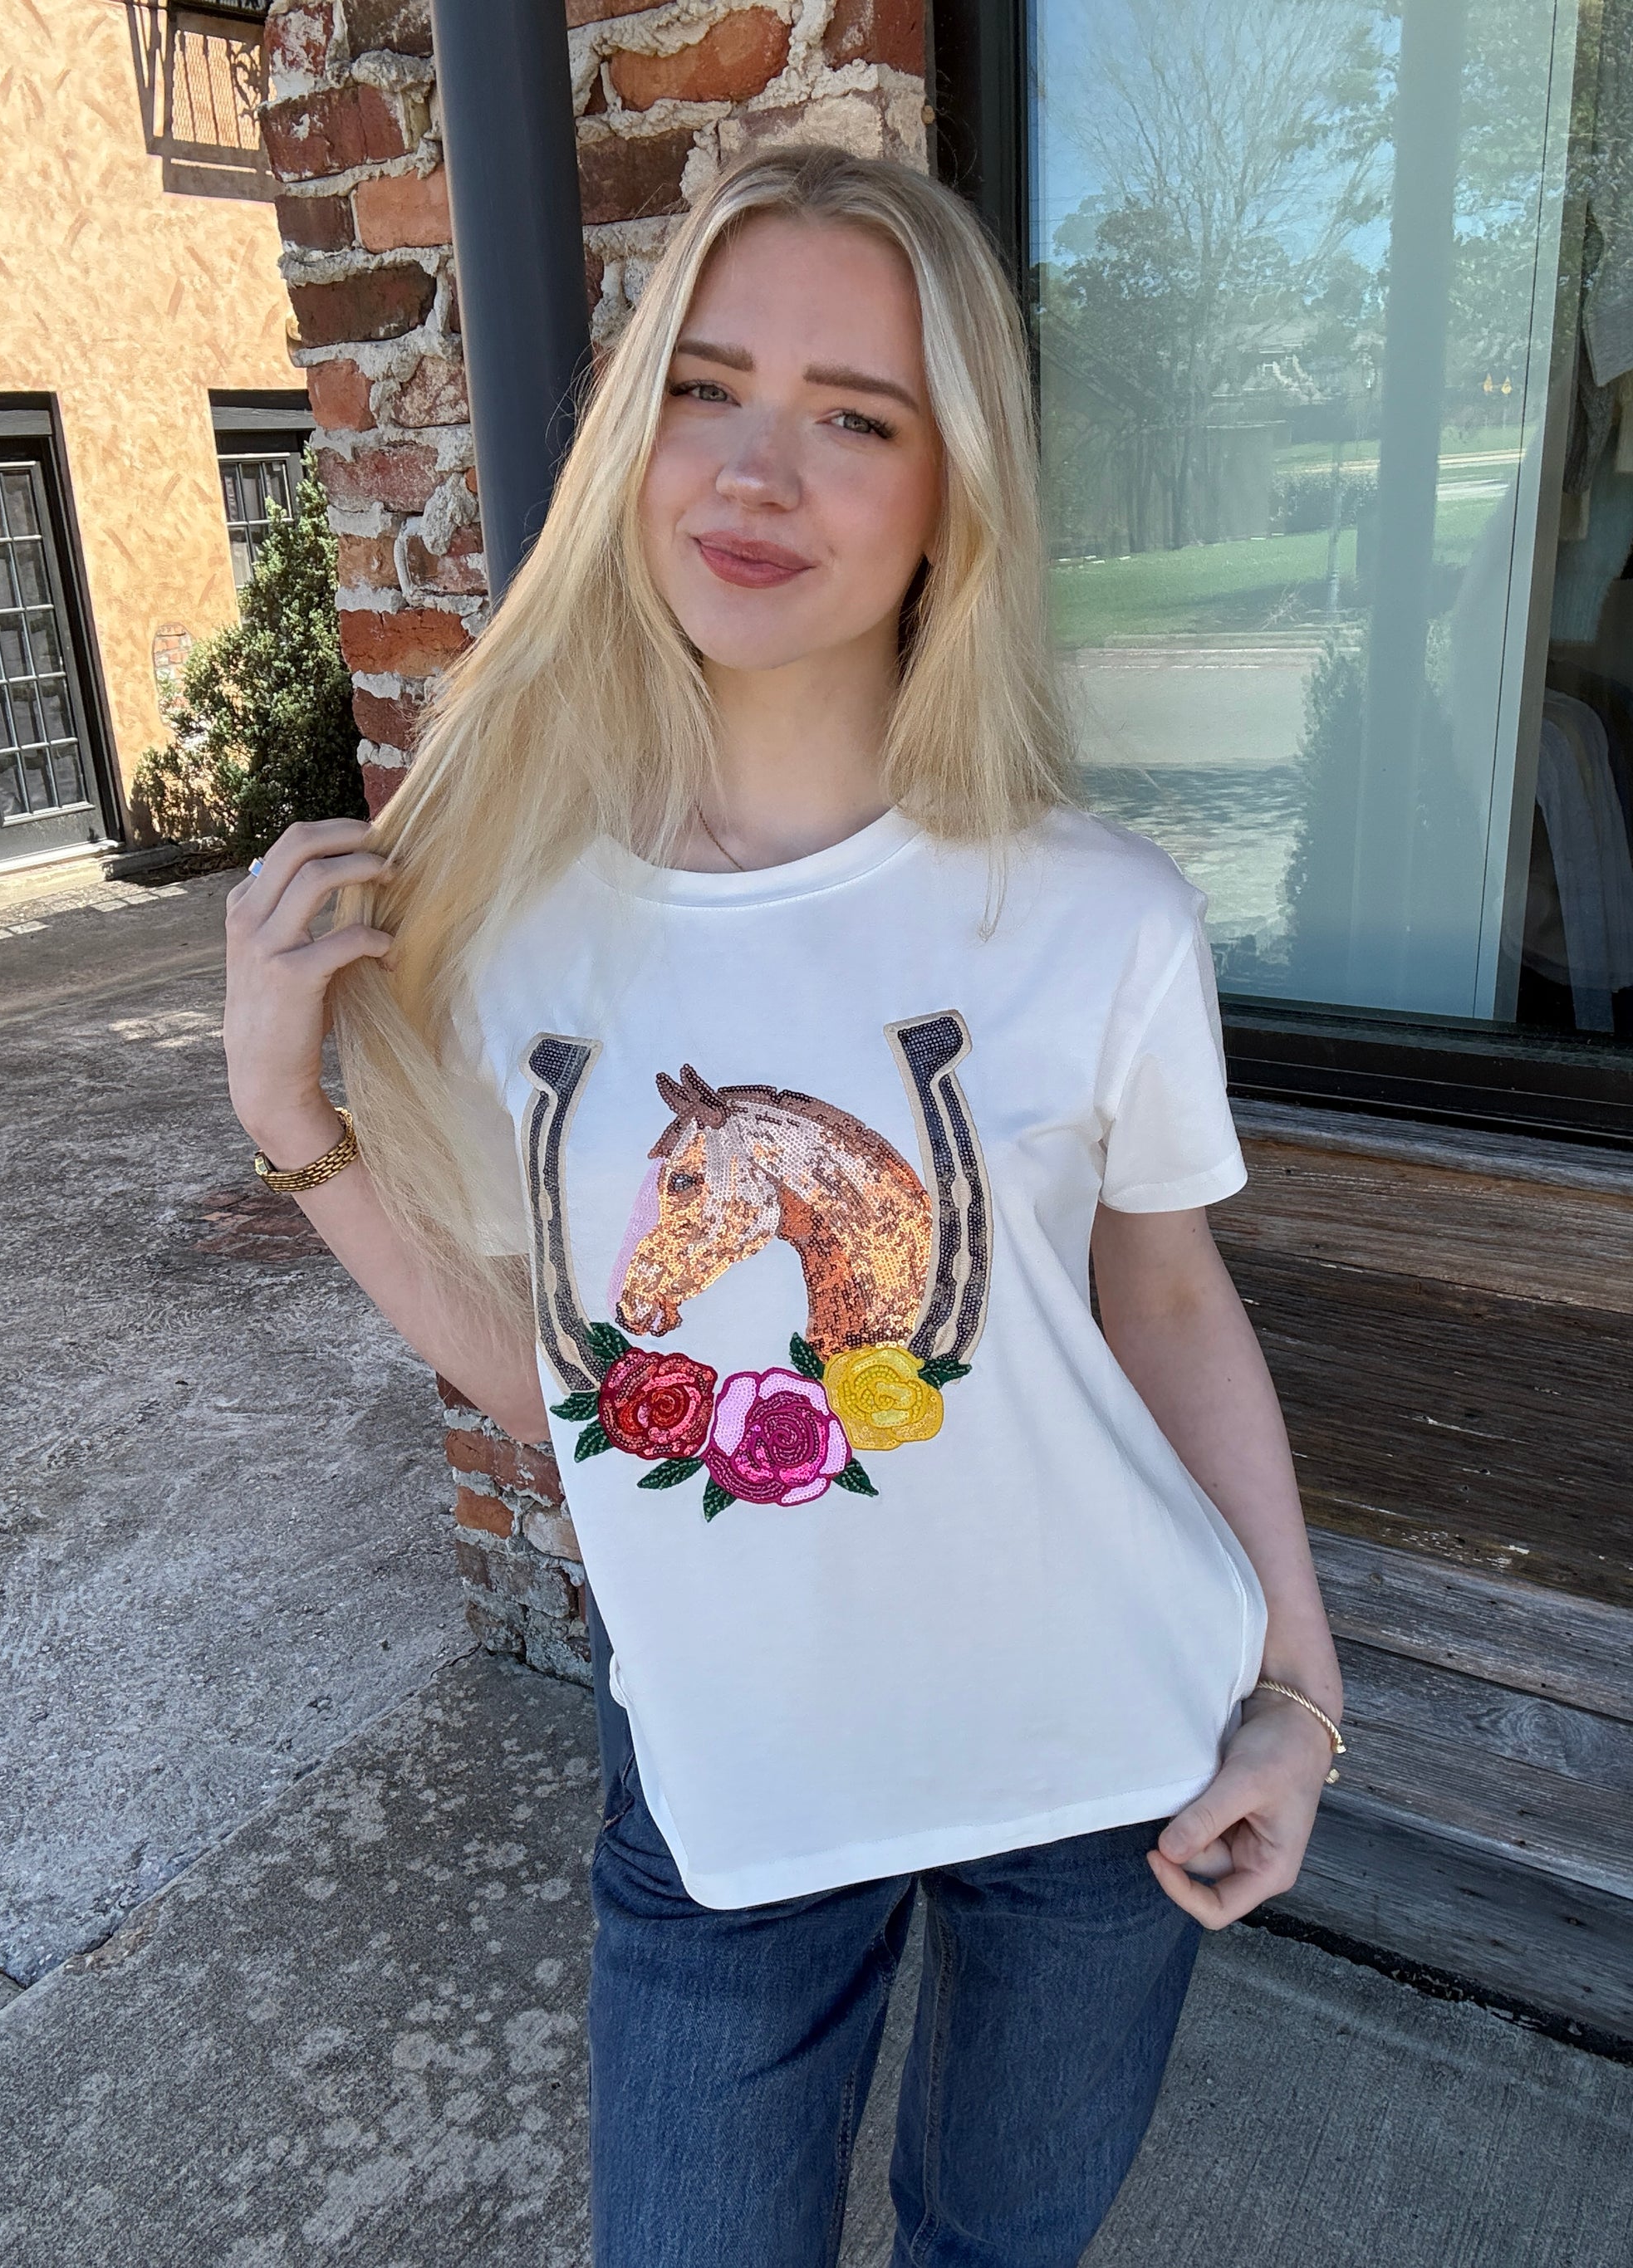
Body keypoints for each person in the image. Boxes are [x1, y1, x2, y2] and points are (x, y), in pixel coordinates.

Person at [223, 146, 1345, 2268]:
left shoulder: (1098, 916)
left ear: (951, 497)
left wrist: (1297, 1690)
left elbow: (1171, 1302)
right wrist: (294, 1114)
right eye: (706, 390)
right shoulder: (500, 928)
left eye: (855, 417)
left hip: (1106, 1759)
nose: (755, 472)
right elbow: (567, 1389)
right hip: (732, 1785)